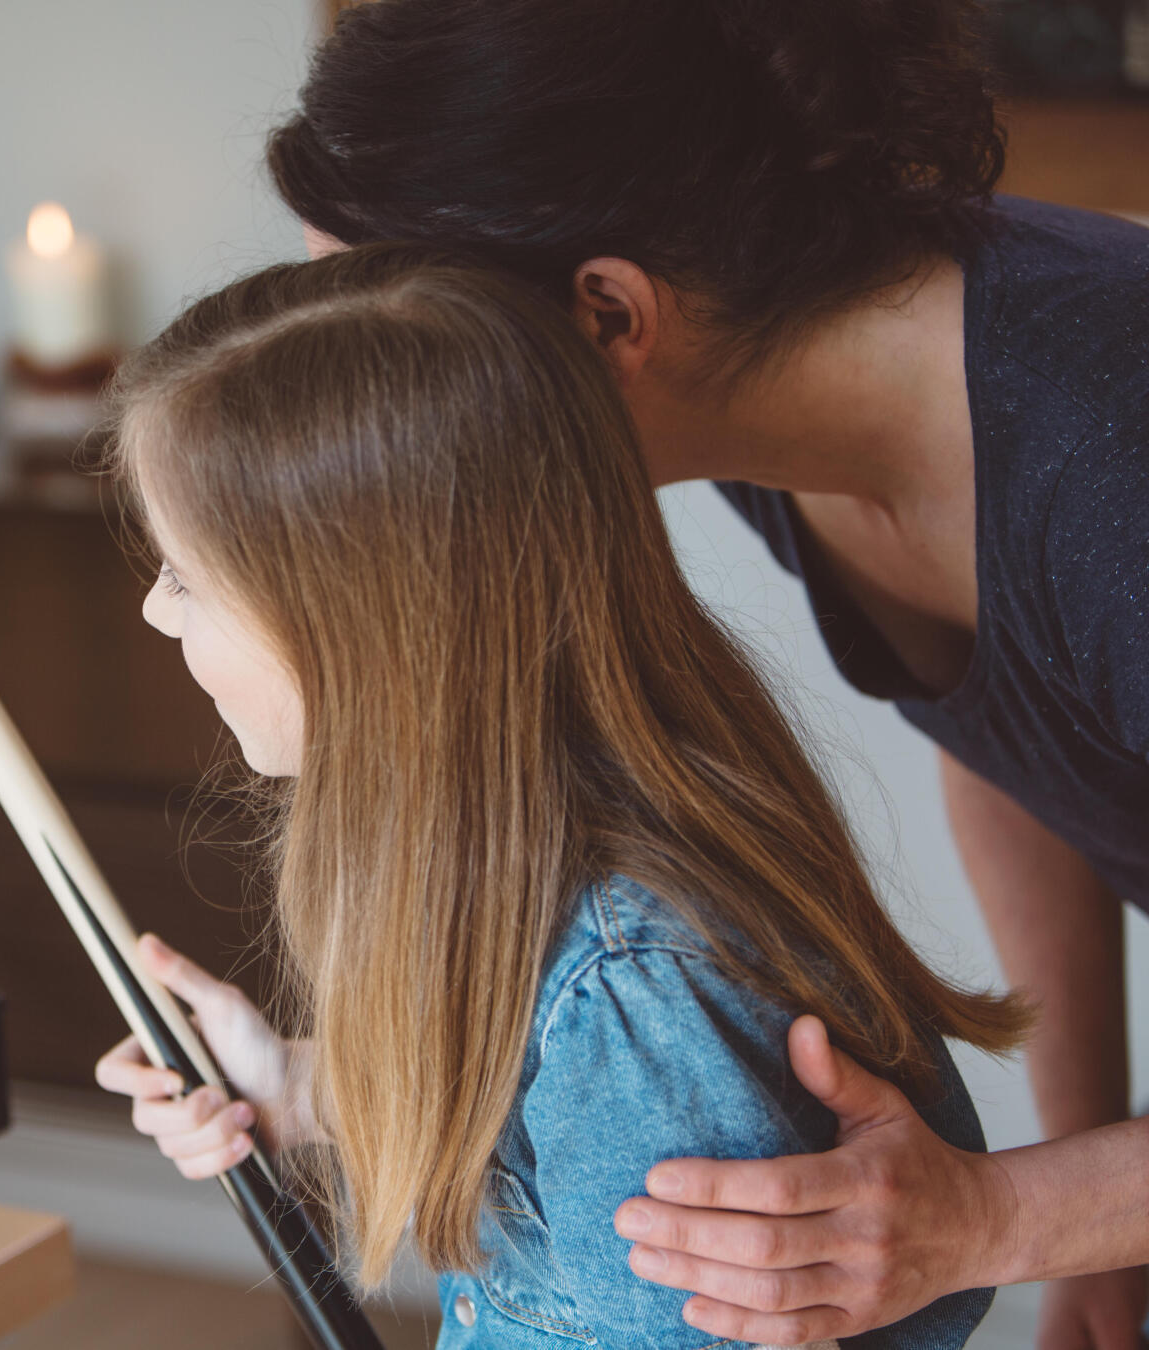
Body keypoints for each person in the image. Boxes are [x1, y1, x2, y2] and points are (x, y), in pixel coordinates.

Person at [260, 2, 1149, 1345]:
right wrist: (1100, 1227)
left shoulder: (1110, 456)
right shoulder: (775, 408)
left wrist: (1002, 1218)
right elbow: (1014, 741)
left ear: (611, 310)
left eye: (401, 360)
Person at [93, 241, 1026, 1348]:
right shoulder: (530, 879)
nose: (157, 612)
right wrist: (298, 1092)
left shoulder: (633, 998)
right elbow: (537, 1109)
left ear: (361, 629)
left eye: (188, 576)